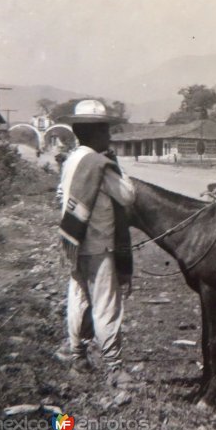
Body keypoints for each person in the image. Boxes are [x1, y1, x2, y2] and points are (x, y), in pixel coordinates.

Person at [57, 100, 136, 385]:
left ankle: (77, 356)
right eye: (106, 130)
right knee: (106, 304)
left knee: (78, 297)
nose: (110, 136)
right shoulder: (100, 164)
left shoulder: (71, 161)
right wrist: (116, 165)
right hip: (100, 244)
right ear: (95, 133)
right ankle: (114, 367)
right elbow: (127, 196)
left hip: (74, 241)